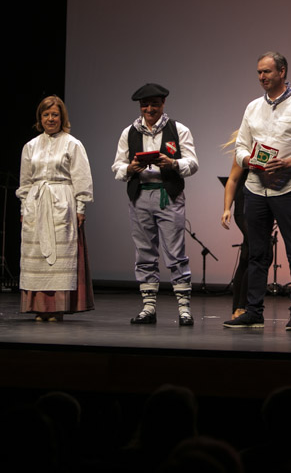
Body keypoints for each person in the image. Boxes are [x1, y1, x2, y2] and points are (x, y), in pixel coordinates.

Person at [224, 51, 291, 331]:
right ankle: (254, 311)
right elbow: (241, 146)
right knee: (257, 253)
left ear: (282, 72)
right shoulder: (253, 107)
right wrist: (249, 161)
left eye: (266, 71)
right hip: (256, 189)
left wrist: (289, 162)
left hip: (288, 188)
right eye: (259, 72)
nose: (261, 77)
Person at [112, 83, 199, 326]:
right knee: (144, 252)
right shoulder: (129, 132)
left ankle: (184, 308)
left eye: (154, 104)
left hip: (168, 194)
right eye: (145, 105)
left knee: (175, 252)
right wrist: (130, 168)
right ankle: (148, 307)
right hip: (140, 195)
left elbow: (193, 163)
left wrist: (172, 163)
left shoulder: (178, 129)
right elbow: (117, 166)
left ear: (163, 104)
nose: (149, 109)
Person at [15, 95, 94, 322]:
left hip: (62, 202)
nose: (50, 119)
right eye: (46, 114)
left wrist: (80, 207)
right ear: (40, 118)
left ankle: (57, 308)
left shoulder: (72, 143)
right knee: (37, 255)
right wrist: (24, 209)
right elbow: (25, 181)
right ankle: (39, 307)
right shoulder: (30, 146)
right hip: (36, 203)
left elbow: (81, 177)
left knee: (60, 256)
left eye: (55, 115)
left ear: (62, 117)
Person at [220, 132, 250, 319]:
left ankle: (239, 308)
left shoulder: (274, 145)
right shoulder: (245, 149)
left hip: (262, 206)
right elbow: (233, 179)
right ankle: (242, 307)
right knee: (258, 253)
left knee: (248, 255)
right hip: (245, 207)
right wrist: (226, 209)